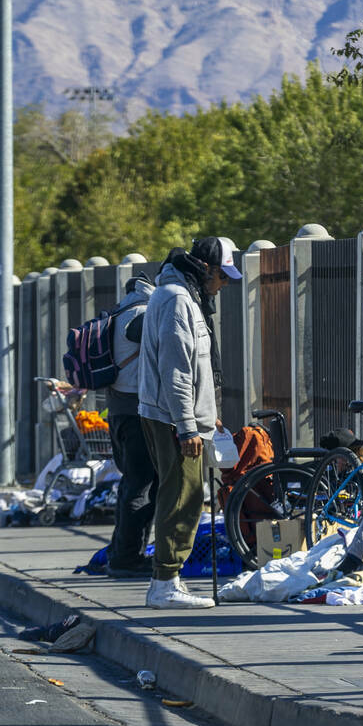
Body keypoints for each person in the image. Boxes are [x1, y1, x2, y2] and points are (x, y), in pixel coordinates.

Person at [137, 237, 241, 608]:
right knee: (183, 497)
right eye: (222, 276)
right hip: (172, 419)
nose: (224, 284)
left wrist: (205, 412)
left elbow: (192, 369)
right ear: (206, 270)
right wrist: (187, 426)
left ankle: (167, 581)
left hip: (174, 416)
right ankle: (165, 584)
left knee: (183, 494)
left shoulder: (182, 296)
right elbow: (177, 371)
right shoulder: (178, 301)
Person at [104, 274, 158, 578]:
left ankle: (120, 551)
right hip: (137, 412)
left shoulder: (117, 312)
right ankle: (127, 558)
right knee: (141, 485)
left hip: (117, 410)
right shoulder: (141, 314)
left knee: (130, 483)